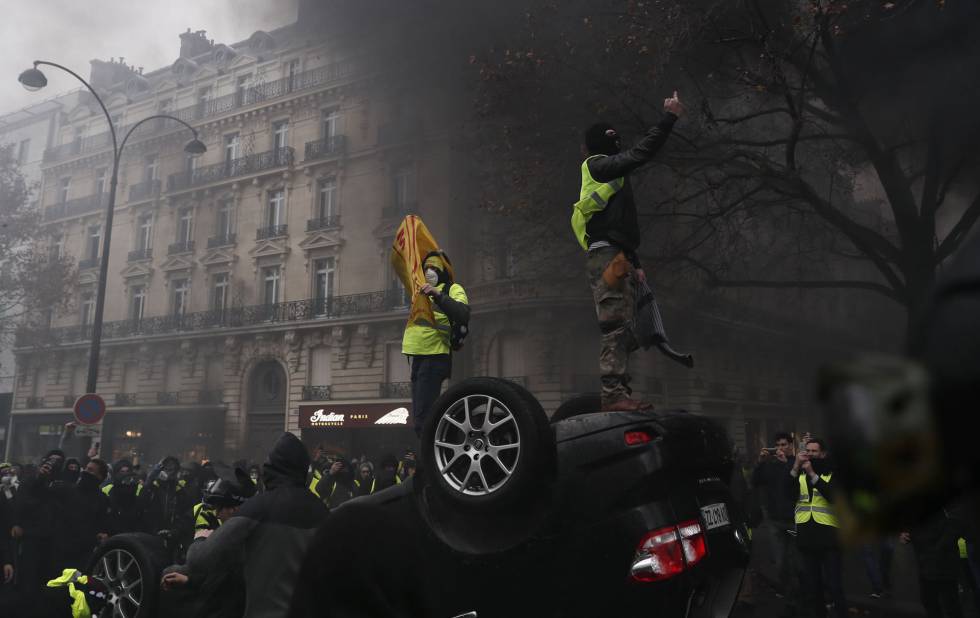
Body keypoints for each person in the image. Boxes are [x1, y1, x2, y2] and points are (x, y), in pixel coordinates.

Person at [574, 91, 684, 412]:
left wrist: (633, 263)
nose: (617, 145)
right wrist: (668, 119)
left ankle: (619, 387)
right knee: (615, 325)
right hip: (606, 256)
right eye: (611, 141)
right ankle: (613, 396)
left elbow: (615, 225)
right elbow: (638, 155)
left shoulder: (612, 176)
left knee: (625, 323)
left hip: (616, 256)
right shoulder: (596, 167)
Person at [167, 432, 328, 617]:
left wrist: (200, 540)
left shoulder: (259, 507)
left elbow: (201, 560)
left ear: (270, 468)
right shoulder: (322, 511)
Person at [401, 250, 470, 437]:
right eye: (426, 268)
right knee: (419, 420)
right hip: (418, 357)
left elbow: (463, 313)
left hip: (435, 356)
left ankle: (432, 461)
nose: (429, 271)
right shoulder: (420, 292)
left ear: (443, 271)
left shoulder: (452, 289)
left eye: (434, 267)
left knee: (424, 421)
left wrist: (438, 294)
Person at [792, 437, 847, 618]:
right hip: (807, 537)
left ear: (823, 453)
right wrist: (794, 467)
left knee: (834, 585)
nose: (810, 454)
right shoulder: (799, 473)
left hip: (829, 537)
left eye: (814, 451)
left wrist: (813, 474)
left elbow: (833, 497)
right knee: (813, 586)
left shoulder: (833, 472)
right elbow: (785, 493)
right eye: (807, 451)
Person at [752, 432, 800, 600]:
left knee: (796, 560)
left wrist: (787, 463)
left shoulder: (796, 463)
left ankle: (798, 592)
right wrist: (760, 462)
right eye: (778, 445)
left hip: (794, 520)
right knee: (780, 562)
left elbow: (794, 485)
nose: (780, 448)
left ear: (790, 446)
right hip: (774, 520)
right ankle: (786, 591)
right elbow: (755, 481)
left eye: (784, 445)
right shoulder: (769, 465)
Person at [901, 507, 965, 618]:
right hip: (926, 563)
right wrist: (907, 534)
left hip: (943, 561)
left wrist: (938, 549)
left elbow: (956, 522)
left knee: (950, 604)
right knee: (929, 602)